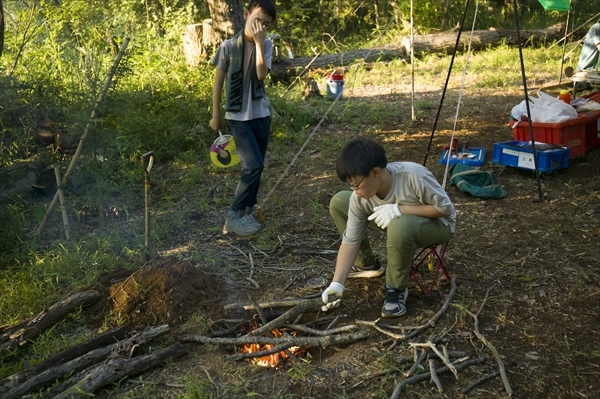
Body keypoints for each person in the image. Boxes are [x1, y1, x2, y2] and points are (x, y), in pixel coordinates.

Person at [321, 139, 456, 317]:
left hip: (438, 224)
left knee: (400, 225)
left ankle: (396, 290)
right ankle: (366, 265)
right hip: (399, 225)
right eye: (350, 185)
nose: (354, 190)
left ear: (375, 172)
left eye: (356, 184)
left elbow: (445, 210)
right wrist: (337, 283)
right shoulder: (360, 197)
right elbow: (350, 240)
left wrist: (399, 209)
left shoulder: (413, 175)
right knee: (340, 202)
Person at [209, 0, 276, 236]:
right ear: (246, 14)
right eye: (257, 20)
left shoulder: (266, 45)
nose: (260, 26)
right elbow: (218, 83)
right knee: (252, 165)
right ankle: (233, 217)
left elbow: (261, 74)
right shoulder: (227, 46)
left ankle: (248, 211)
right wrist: (216, 115)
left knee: (258, 166)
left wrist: (259, 44)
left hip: (261, 115)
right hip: (238, 117)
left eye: (266, 24)